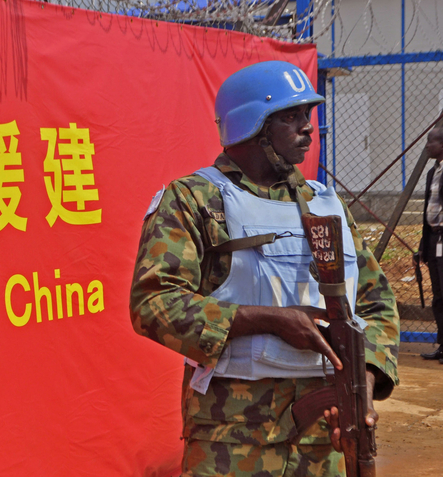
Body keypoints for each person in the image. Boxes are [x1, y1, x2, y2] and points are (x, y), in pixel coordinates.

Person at [129, 60, 400, 477]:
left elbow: (375, 300)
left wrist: (362, 384)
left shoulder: (324, 203)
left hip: (322, 433)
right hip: (232, 436)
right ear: (251, 125)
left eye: (306, 115)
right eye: (290, 117)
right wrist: (269, 321)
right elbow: (153, 303)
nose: (307, 128)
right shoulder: (195, 201)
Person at [419, 123, 443, 362]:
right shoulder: (431, 172)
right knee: (438, 296)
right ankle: (442, 345)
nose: (427, 145)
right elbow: (427, 212)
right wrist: (423, 246)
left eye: (431, 142)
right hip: (435, 238)